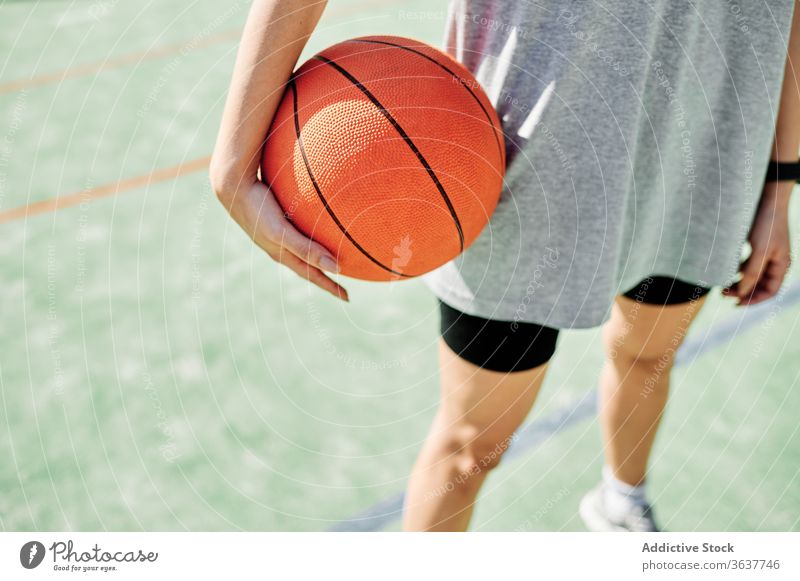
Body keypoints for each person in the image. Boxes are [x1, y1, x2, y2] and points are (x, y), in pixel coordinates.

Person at [211, 0, 798, 531]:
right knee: (469, 450)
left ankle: (621, 501)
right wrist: (233, 159)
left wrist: (780, 182)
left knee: (647, 358)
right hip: (517, 171)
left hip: (705, 160)